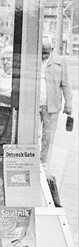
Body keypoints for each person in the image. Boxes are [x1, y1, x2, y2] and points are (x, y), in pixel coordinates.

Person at [39, 38, 73, 169]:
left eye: (46, 53)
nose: (43, 56)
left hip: (51, 106)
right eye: (41, 52)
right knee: (33, 135)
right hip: (34, 105)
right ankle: (31, 160)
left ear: (52, 50)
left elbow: (66, 84)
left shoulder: (60, 61)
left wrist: (68, 104)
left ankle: (43, 163)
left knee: (48, 137)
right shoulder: (33, 59)